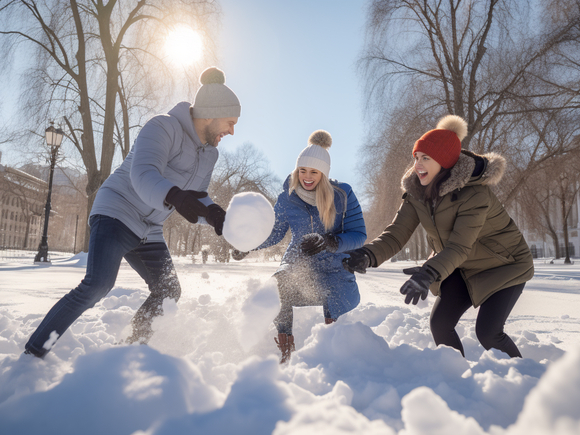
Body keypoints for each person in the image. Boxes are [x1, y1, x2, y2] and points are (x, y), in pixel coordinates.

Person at [24, 67, 241, 358]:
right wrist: (176, 197)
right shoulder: (163, 127)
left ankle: (126, 352)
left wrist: (216, 216)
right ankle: (34, 352)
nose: (231, 131)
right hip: (116, 211)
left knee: (168, 292)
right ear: (211, 113)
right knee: (98, 284)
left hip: (149, 228)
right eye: (230, 122)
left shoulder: (209, 153)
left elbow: (198, 196)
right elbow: (143, 174)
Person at [343, 115, 534, 358]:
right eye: (416, 157)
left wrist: (430, 271)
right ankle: (456, 378)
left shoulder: (475, 195)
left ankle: (523, 379)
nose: (417, 164)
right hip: (459, 265)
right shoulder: (416, 193)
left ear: (444, 162)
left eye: (426, 158)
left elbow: (459, 246)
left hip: (504, 265)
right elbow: (396, 234)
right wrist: (368, 254)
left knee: (488, 332)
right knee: (440, 325)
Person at [233, 130, 366, 363]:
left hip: (334, 265)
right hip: (298, 262)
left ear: (323, 174)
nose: (307, 176)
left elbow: (359, 235)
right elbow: (274, 232)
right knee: (277, 287)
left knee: (335, 298)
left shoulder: (342, 195)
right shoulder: (288, 197)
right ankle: (286, 349)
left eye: (313, 172)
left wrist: (331, 242)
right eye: (302, 170)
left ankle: (331, 348)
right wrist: (249, 244)